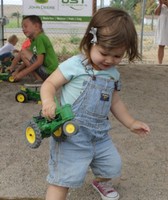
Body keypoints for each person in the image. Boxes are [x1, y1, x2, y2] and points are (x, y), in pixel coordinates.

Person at [40, 7, 150, 200]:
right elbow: (49, 84)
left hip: (99, 135)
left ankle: (100, 181)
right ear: (90, 42)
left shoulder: (113, 74)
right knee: (63, 178)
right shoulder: (75, 65)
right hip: (71, 134)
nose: (109, 60)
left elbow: (115, 102)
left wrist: (131, 123)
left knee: (112, 166)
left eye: (117, 56)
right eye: (104, 52)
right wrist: (48, 101)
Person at [10, 15, 58, 82]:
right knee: (23, 53)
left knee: (23, 52)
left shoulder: (40, 38)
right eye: (22, 27)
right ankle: (39, 79)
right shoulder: (34, 41)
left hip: (50, 73)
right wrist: (17, 71)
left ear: (36, 26)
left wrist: (22, 74)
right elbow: (28, 61)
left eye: (25, 26)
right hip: (46, 72)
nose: (23, 29)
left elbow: (39, 62)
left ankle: (39, 78)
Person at [154, 0, 168, 64]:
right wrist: (160, 4)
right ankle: (160, 63)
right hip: (162, 26)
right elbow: (156, 13)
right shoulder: (161, 5)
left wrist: (166, 3)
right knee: (161, 45)